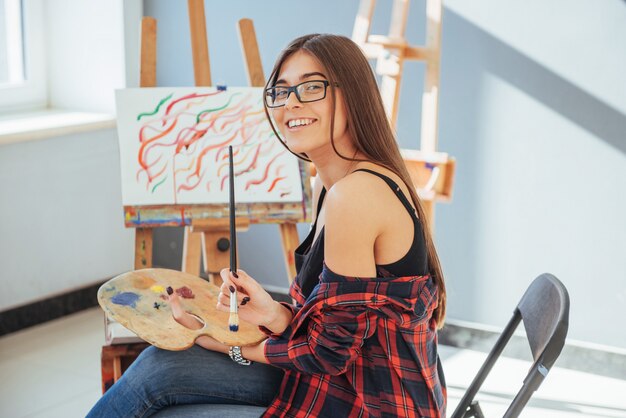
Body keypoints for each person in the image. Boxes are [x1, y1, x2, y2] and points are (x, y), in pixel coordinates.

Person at [87, 33, 447, 418]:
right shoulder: (336, 184)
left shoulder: (355, 196)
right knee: (158, 367)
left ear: (353, 94)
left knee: (161, 384)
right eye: (280, 91)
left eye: (311, 87)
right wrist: (270, 315)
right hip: (344, 383)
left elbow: (328, 354)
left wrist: (221, 342)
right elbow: (337, 327)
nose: (291, 103)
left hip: (372, 403)